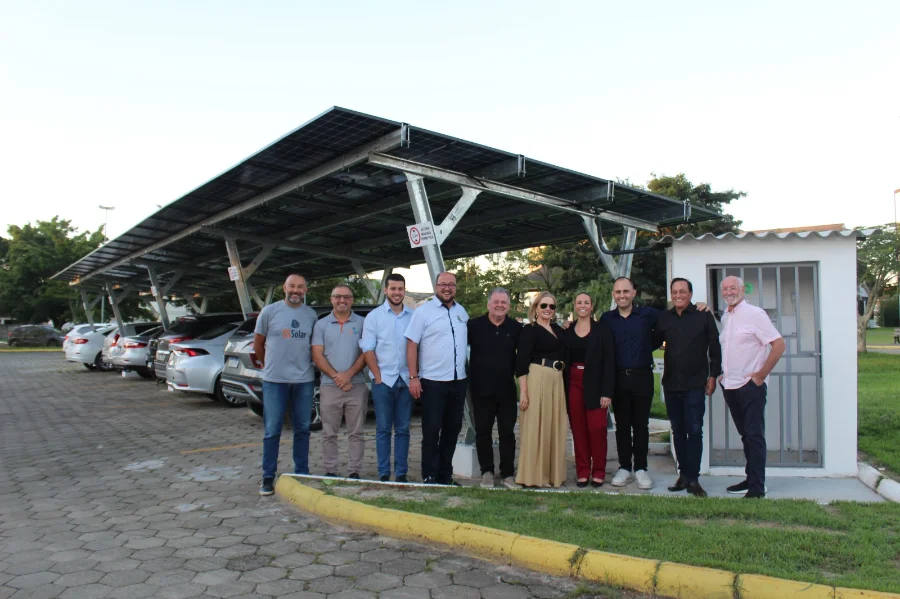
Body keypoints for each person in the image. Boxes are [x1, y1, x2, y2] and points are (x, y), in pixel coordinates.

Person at [654, 278, 722, 497]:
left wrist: (713, 376)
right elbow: (650, 341)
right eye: (674, 292)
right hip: (672, 384)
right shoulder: (665, 318)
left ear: (691, 294)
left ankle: (693, 479)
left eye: (682, 291)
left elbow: (715, 349)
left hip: (695, 384)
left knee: (694, 431)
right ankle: (683, 476)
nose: (678, 295)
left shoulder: (703, 316)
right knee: (678, 431)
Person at [719, 276, 785, 499]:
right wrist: (722, 374)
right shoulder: (726, 317)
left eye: (733, 288)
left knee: (754, 435)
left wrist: (762, 373)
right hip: (730, 386)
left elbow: (779, 344)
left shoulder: (755, 314)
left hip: (750, 386)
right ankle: (750, 479)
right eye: (725, 289)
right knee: (746, 435)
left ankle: (757, 487)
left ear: (742, 290)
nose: (729, 292)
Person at [253, 274, 318, 496]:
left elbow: (314, 347)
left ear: (305, 290)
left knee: (303, 429)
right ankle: (268, 477)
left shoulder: (311, 315)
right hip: (275, 381)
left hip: (304, 381)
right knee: (272, 430)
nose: (296, 290)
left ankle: (302, 473)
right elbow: (258, 344)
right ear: (284, 288)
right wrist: (269, 365)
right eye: (292, 286)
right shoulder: (269, 312)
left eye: (300, 286)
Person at [405, 271, 468, 485]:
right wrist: (413, 376)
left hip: (458, 381)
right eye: (443, 284)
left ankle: (445, 475)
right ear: (436, 286)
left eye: (451, 284)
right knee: (431, 431)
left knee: (452, 431)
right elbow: (411, 344)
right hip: (432, 382)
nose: (447, 288)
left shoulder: (462, 312)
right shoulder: (422, 312)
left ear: (455, 287)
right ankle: (429, 475)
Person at [599, 277, 659, 490]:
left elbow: (665, 329)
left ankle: (641, 469)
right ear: (613, 294)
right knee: (622, 425)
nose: (622, 295)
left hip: (642, 376)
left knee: (641, 425)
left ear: (634, 292)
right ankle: (625, 467)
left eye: (626, 291)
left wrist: (700, 306)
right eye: (618, 292)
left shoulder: (648, 315)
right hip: (618, 377)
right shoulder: (607, 319)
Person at [360, 273, 414, 483]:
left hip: (406, 380)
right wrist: (379, 377)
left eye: (400, 289)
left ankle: (401, 473)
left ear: (404, 290)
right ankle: (383, 472)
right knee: (383, 429)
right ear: (385, 290)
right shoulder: (374, 317)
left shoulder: (412, 316)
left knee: (403, 430)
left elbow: (416, 347)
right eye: (393, 289)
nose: (397, 293)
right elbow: (368, 348)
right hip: (383, 381)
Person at [467, 288, 522, 489]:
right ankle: (487, 472)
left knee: (507, 433)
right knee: (483, 432)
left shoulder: (516, 328)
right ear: (488, 304)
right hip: (481, 391)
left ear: (508, 306)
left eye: (504, 303)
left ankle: (507, 474)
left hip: (507, 390)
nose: (500, 305)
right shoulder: (473, 326)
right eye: (496, 302)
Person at [312, 285, 368, 479]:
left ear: (352, 300)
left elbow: (366, 353)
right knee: (329, 432)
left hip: (356, 385)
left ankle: (354, 472)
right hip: (329, 386)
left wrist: (348, 375)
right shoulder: (321, 325)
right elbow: (317, 355)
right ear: (331, 299)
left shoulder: (362, 323)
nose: (342, 300)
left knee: (356, 433)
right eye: (338, 297)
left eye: (346, 297)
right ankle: (330, 471)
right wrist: (338, 377)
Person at [515, 291, 568, 488]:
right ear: (535, 308)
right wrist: (525, 392)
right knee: (536, 426)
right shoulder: (530, 330)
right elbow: (521, 362)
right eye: (543, 306)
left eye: (551, 306)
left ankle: (552, 475)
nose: (548, 309)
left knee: (553, 426)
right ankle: (533, 476)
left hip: (557, 380)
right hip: (537, 377)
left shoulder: (559, 330)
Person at [565, 292, 616, 488]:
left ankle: (599, 471)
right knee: (578, 430)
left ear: (592, 306)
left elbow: (610, 362)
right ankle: (583, 471)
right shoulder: (568, 331)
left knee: (597, 428)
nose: (583, 305)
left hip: (596, 383)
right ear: (575, 306)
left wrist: (607, 392)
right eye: (579, 302)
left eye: (586, 302)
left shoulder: (602, 331)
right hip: (574, 383)